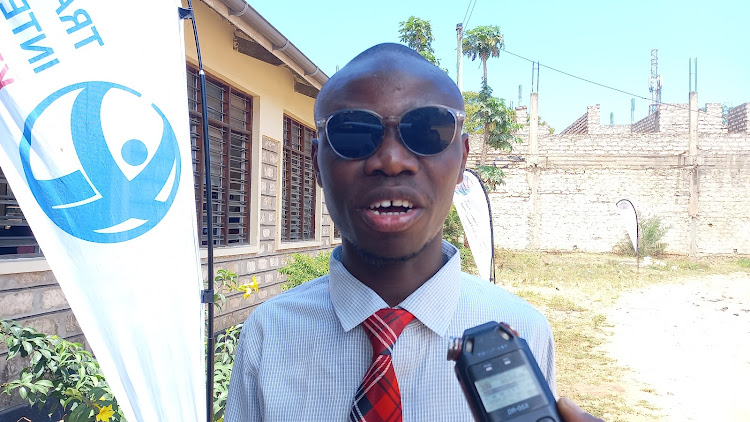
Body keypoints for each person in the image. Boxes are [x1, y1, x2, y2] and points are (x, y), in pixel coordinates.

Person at [225, 43, 602, 422]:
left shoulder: (523, 331)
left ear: (462, 161)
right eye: (354, 133)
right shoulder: (268, 335)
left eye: (427, 131)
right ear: (317, 164)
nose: (391, 161)